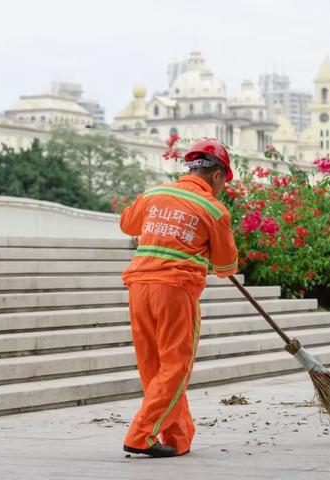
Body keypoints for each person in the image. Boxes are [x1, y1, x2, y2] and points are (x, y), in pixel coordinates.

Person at [120, 138, 238, 457]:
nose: (223, 188)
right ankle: (141, 434)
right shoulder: (213, 208)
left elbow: (127, 224)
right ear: (217, 176)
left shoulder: (156, 193)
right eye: (224, 182)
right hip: (175, 289)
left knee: (155, 366)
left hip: (139, 286)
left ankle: (177, 435)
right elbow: (226, 266)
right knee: (176, 365)